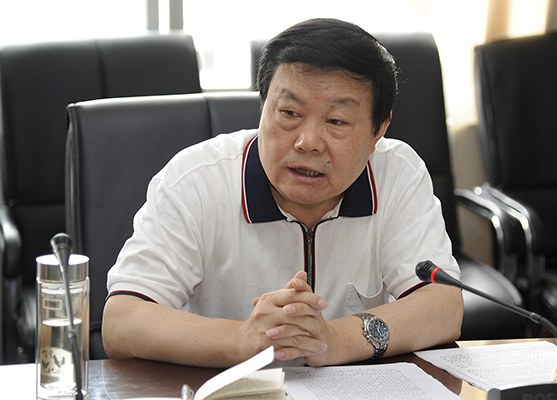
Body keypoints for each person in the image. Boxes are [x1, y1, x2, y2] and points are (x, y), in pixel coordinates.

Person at [102, 18, 463, 368]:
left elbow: (443, 306)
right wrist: (241, 339)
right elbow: (122, 320)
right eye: (290, 113)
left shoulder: (396, 173)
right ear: (263, 106)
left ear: (378, 131)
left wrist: (335, 339)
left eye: (336, 121)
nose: (308, 142)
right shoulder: (195, 180)